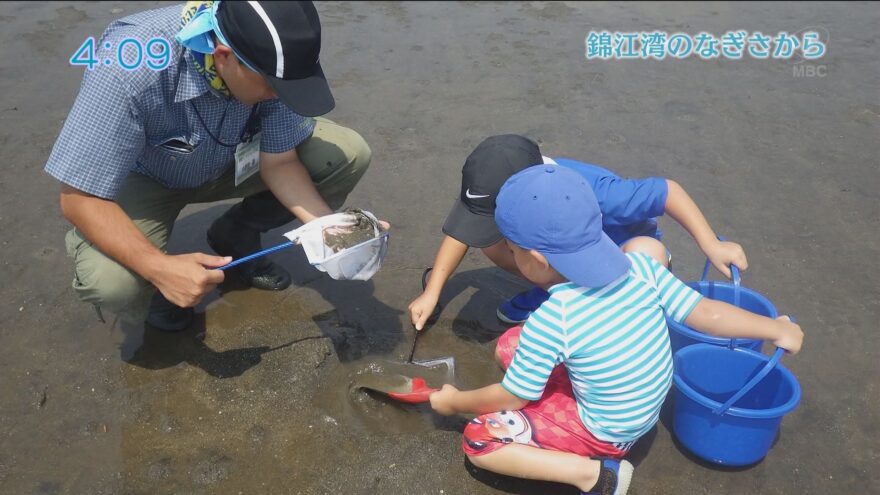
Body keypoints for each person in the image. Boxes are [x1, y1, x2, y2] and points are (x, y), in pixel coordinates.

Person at [429, 165, 804, 495]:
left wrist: (453, 402)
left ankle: (593, 476)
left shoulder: (556, 315)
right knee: (512, 344)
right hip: (641, 410)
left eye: (512, 250)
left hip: (606, 431)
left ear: (537, 260)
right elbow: (707, 313)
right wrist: (774, 328)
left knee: (479, 438)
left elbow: (513, 396)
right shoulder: (641, 268)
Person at [45, 1, 377, 331]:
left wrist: (331, 230)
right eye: (274, 87)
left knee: (349, 154)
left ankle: (237, 232)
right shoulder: (127, 65)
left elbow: (281, 161)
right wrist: (158, 268)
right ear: (223, 56)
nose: (279, 97)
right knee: (112, 283)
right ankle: (157, 291)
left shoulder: (276, 62)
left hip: (230, 158)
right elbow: (78, 198)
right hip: (144, 175)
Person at [408, 134, 749, 330]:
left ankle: (598, 307)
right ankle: (557, 292)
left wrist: (710, 244)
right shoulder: (497, 181)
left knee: (649, 252)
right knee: (492, 243)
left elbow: (667, 192)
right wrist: (433, 292)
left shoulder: (598, 191)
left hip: (615, 254)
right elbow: (465, 229)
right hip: (556, 249)